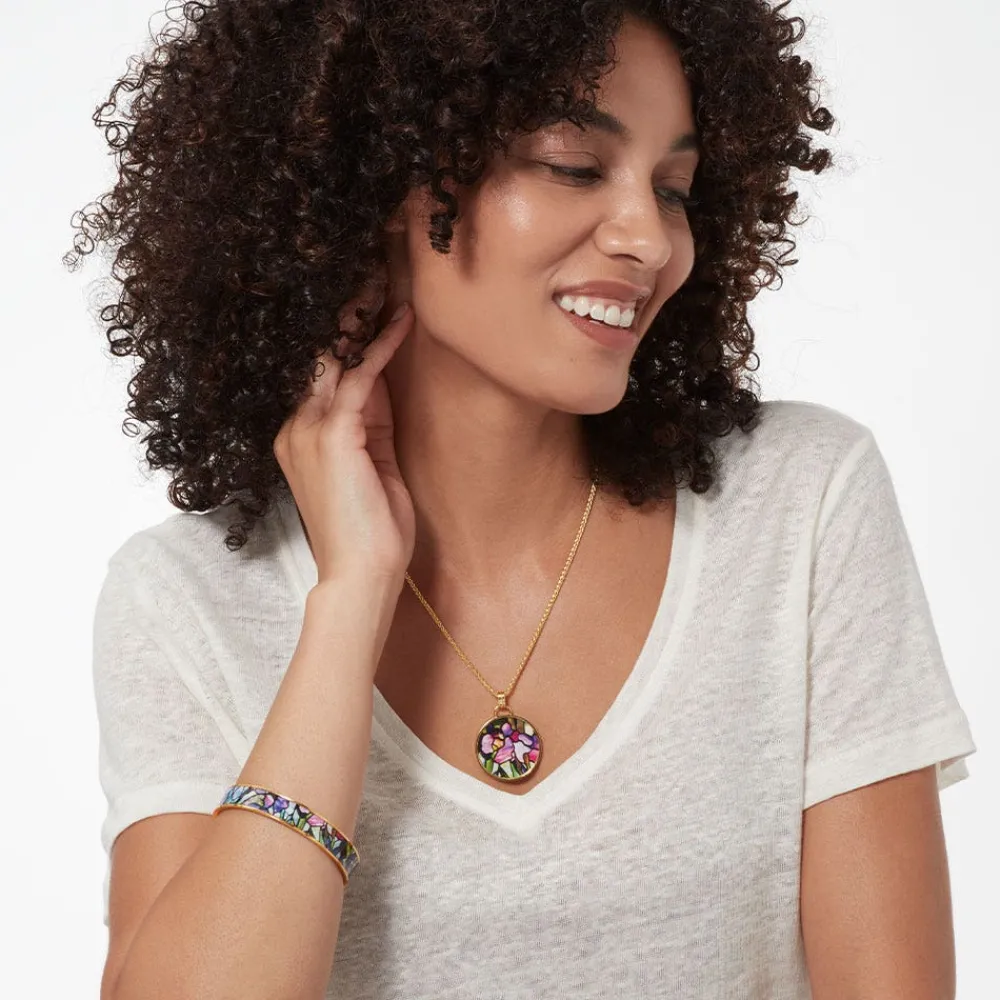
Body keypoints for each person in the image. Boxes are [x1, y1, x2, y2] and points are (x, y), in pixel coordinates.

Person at [67, 1, 977, 998]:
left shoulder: (800, 507)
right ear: (384, 177)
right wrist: (350, 600)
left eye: (673, 189)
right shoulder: (186, 602)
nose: (648, 238)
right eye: (573, 166)